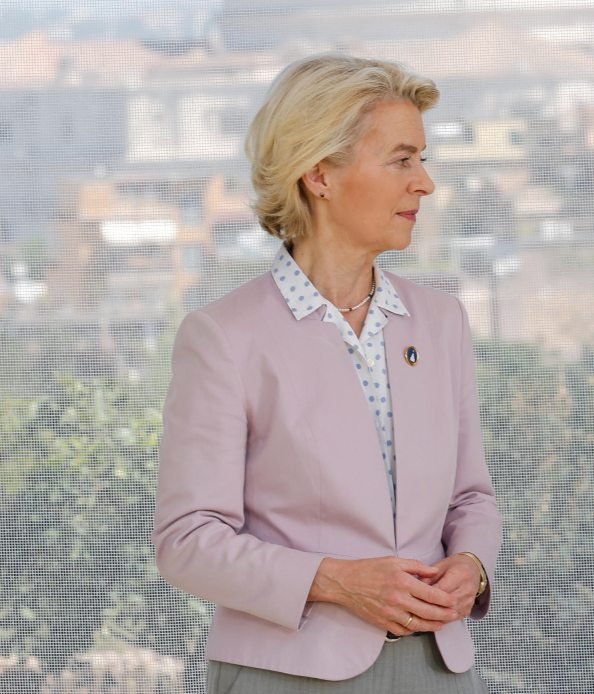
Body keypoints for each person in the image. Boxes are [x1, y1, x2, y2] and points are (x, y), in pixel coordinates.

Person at [153, 53, 501, 693]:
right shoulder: (225, 338)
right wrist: (335, 581)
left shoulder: (441, 321)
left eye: (422, 159)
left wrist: (472, 565)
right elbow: (189, 540)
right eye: (401, 160)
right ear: (318, 173)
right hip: (286, 673)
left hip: (438, 670)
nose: (424, 183)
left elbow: (470, 497)